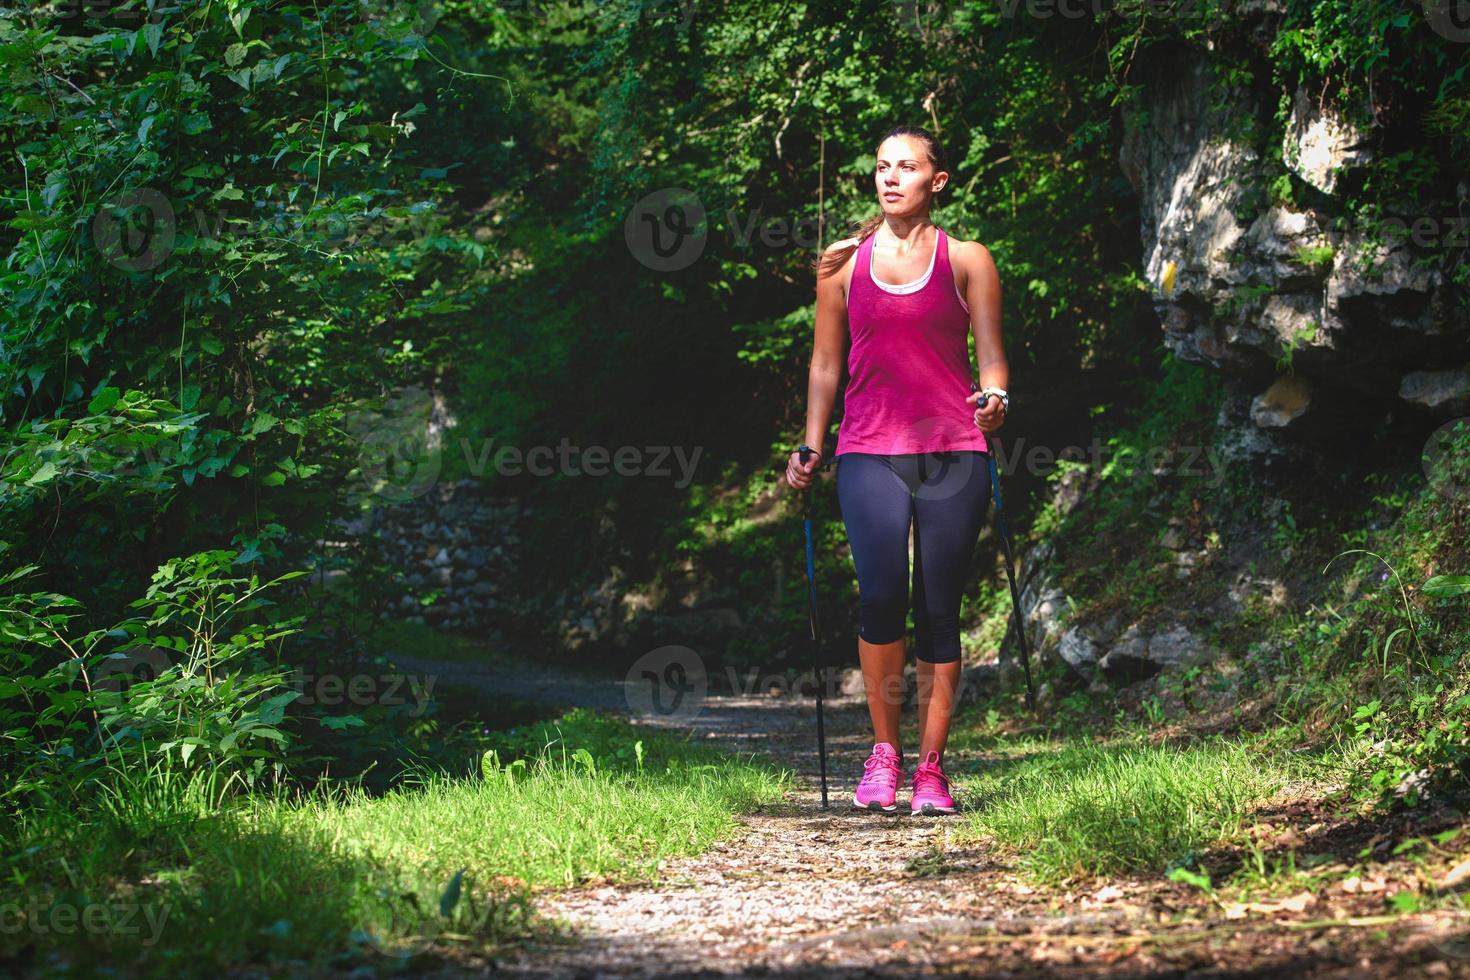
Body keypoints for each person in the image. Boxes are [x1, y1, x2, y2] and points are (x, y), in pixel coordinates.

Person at [783, 124, 1009, 816]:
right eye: (881, 165)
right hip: (868, 450)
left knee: (940, 607)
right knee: (881, 596)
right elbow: (825, 363)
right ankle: (885, 755)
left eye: (906, 167)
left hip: (954, 450)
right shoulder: (843, 267)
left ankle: (932, 770)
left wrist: (996, 398)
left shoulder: (968, 259)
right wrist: (810, 443)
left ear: (936, 182)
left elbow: (992, 356)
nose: (889, 177)